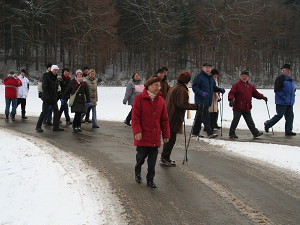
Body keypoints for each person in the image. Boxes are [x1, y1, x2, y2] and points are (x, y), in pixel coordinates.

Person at [132, 77, 170, 188]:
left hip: (155, 136)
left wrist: (166, 134)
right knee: (141, 157)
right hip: (142, 136)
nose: (158, 88)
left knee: (152, 161)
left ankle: (150, 179)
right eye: (156, 85)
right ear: (149, 86)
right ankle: (137, 171)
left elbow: (165, 120)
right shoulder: (139, 99)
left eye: (159, 85)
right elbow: (135, 118)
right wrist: (137, 131)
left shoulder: (161, 101)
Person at [160, 71, 198, 167]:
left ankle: (165, 157)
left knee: (170, 137)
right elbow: (182, 104)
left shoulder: (175, 87)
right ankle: (165, 158)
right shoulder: (182, 90)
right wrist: (197, 106)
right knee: (171, 139)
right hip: (174, 117)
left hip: (169, 115)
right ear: (188, 80)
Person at [228, 71, 267, 139]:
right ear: (240, 77)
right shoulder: (236, 85)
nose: (244, 78)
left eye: (246, 76)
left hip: (247, 106)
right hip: (238, 106)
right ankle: (231, 133)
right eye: (243, 76)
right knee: (235, 120)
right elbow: (232, 93)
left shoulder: (250, 86)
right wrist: (231, 100)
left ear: (248, 77)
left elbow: (255, 94)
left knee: (250, 121)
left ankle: (255, 133)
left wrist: (262, 97)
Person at [192, 63, 225, 138]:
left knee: (199, 118)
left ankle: (195, 132)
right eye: (206, 67)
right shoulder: (199, 77)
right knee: (206, 117)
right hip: (201, 100)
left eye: (209, 68)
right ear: (203, 68)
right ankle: (210, 133)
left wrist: (219, 89)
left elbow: (213, 87)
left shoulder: (210, 78)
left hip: (208, 100)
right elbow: (194, 88)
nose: (208, 69)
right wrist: (201, 93)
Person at [264, 64, 297, 136]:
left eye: (289, 70)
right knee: (279, 115)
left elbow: (293, 91)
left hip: (290, 102)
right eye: (287, 70)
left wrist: (292, 98)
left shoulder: (291, 80)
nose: (288, 72)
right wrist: (283, 97)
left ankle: (288, 131)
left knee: (290, 116)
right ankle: (268, 124)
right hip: (281, 102)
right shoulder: (280, 79)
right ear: (283, 71)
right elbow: (277, 90)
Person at [36, 65, 64, 132]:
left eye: (57, 70)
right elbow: (44, 87)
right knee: (44, 112)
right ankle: (38, 126)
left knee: (56, 113)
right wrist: (46, 96)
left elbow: (57, 87)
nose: (56, 71)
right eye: (55, 70)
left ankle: (56, 127)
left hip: (54, 98)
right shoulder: (47, 77)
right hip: (47, 98)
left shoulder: (56, 78)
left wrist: (58, 94)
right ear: (52, 70)